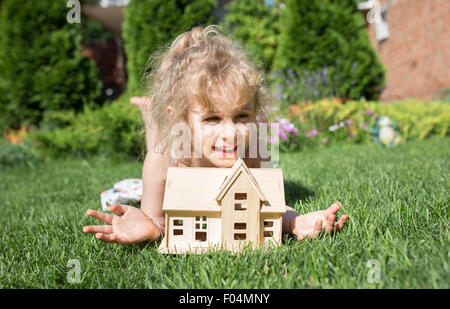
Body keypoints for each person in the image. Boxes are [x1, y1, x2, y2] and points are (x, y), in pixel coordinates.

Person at [82, 25, 348, 245]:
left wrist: (295, 221)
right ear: (178, 117)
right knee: (158, 140)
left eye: (242, 116)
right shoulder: (163, 162)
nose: (230, 133)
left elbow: (266, 207)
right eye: (212, 118)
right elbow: (157, 220)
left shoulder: (250, 149)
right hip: (174, 148)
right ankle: (151, 114)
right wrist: (150, 226)